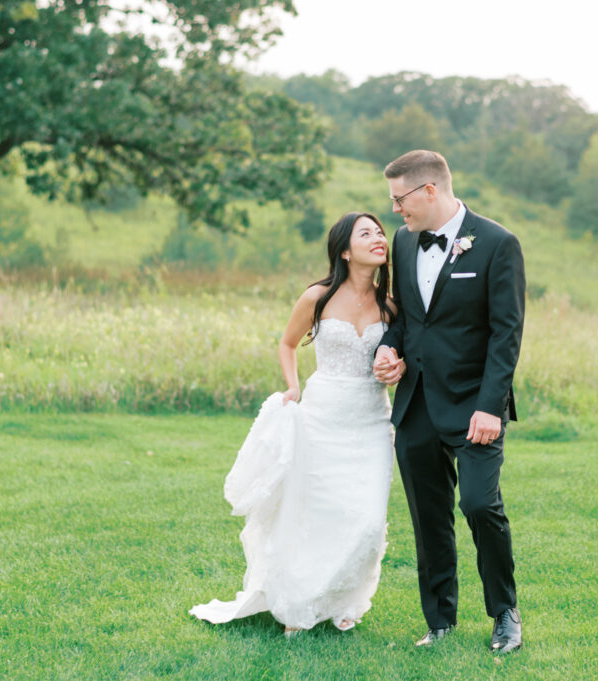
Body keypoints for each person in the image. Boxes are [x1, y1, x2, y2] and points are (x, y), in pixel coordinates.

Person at [190, 212, 397, 637]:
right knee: (317, 512)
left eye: (380, 232)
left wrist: (398, 363)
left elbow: (402, 353)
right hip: (322, 417)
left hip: (373, 421)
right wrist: (292, 386)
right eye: (366, 234)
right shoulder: (317, 297)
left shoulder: (391, 305)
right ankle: (302, 602)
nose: (378, 238)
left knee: (368, 519)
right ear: (344, 249)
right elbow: (287, 344)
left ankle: (345, 598)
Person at [373, 150, 525, 654]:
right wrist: (387, 350)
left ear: (429, 191)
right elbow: (407, 317)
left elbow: (506, 333)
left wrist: (490, 405)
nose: (395, 210)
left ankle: (505, 613)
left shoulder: (499, 244)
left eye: (400, 199)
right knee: (428, 516)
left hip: (474, 405)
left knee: (481, 505)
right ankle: (439, 620)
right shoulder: (402, 241)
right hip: (415, 403)